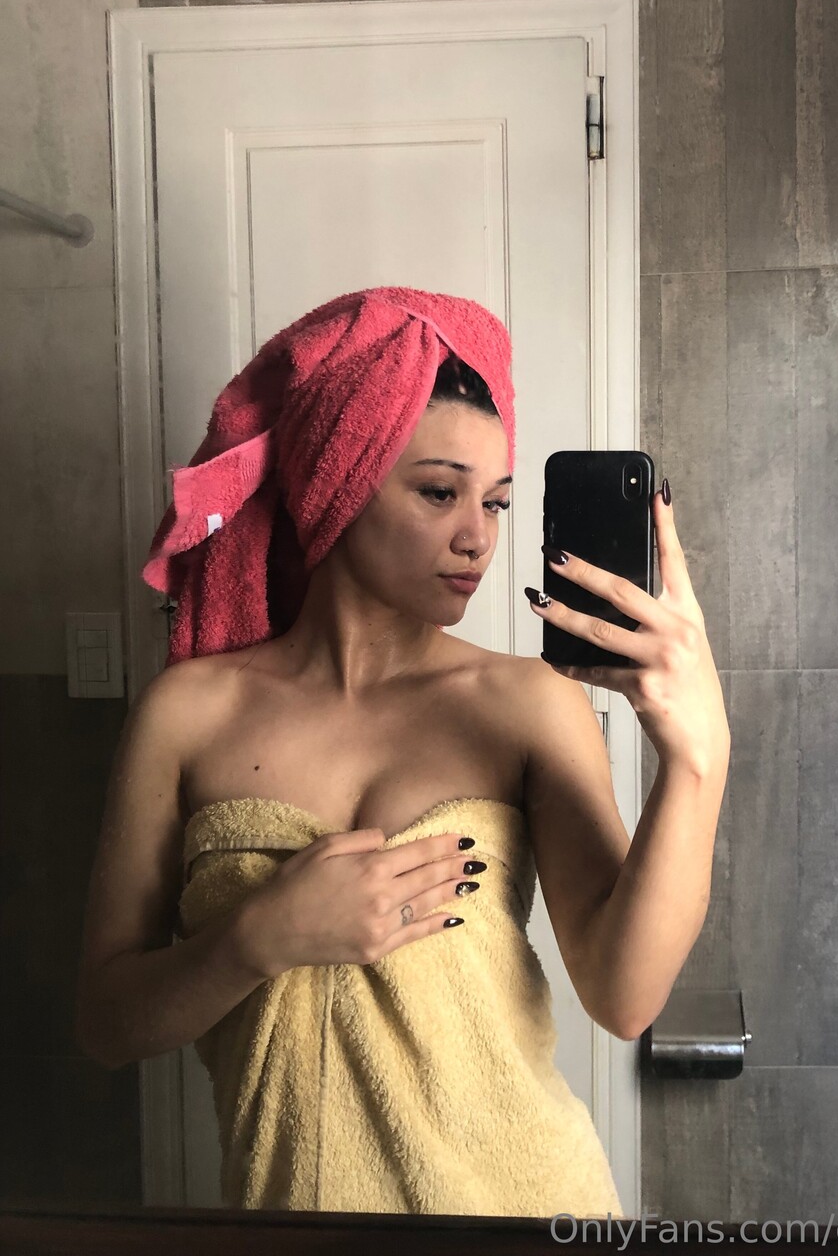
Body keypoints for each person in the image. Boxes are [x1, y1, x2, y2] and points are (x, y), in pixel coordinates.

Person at [75, 286, 730, 1218]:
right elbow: (106, 1022)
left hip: (524, 1215)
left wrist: (699, 756)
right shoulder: (186, 716)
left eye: (496, 502)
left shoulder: (526, 706)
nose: (478, 537)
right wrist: (257, 939)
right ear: (335, 480)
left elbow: (625, 998)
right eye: (438, 492)